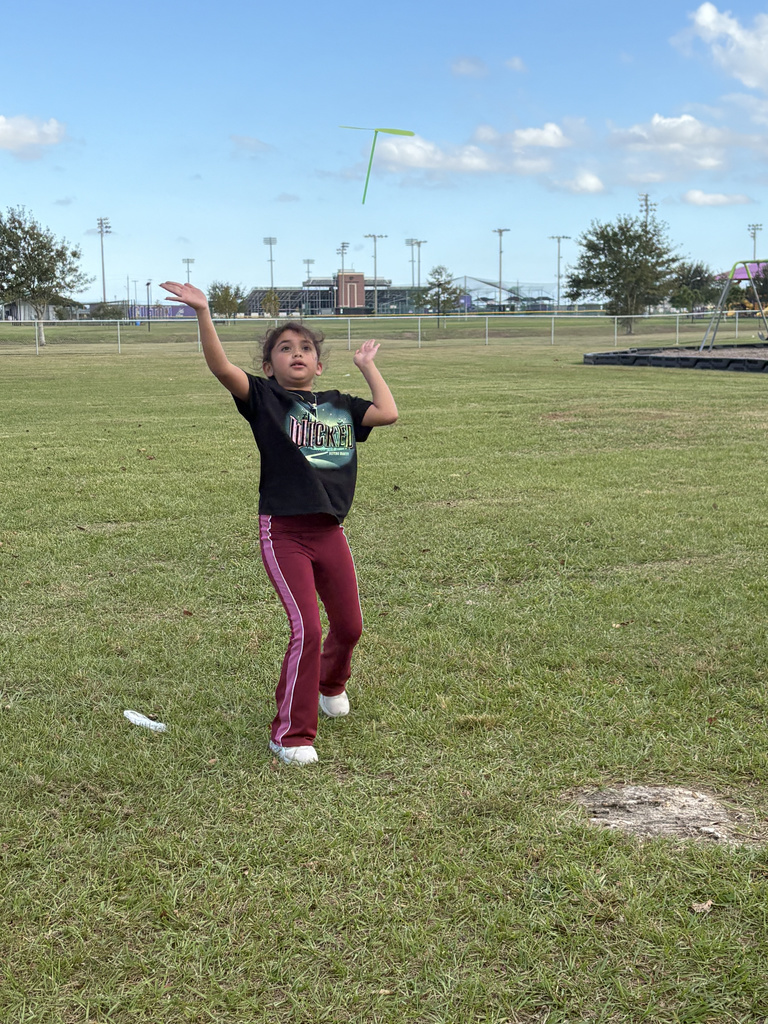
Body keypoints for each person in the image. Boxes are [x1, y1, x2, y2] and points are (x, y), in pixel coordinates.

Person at [159, 281, 398, 765]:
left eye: (305, 348)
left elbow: (388, 413)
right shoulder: (265, 399)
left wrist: (368, 367)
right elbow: (221, 367)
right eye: (284, 349)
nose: (297, 354)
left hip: (330, 531)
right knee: (307, 628)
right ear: (269, 366)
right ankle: (290, 735)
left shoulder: (338, 404)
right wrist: (204, 312)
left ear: (318, 363)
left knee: (349, 627)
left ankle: (332, 685)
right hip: (284, 531)